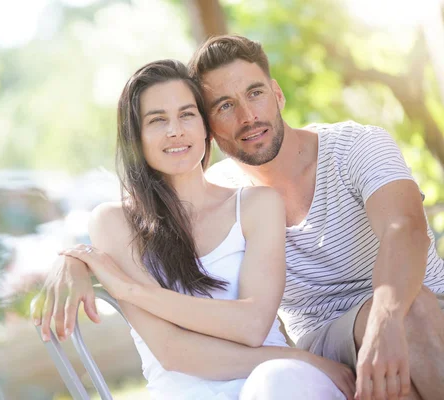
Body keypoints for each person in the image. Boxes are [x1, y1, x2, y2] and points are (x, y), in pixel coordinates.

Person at [34, 35, 444, 400]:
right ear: (213, 124)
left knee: (405, 337)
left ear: (278, 94)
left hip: (405, 315)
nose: (247, 117)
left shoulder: (344, 152)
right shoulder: (207, 195)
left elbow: (404, 229)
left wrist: (385, 321)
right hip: (322, 344)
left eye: (255, 94)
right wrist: (71, 259)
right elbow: (170, 341)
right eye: (225, 106)